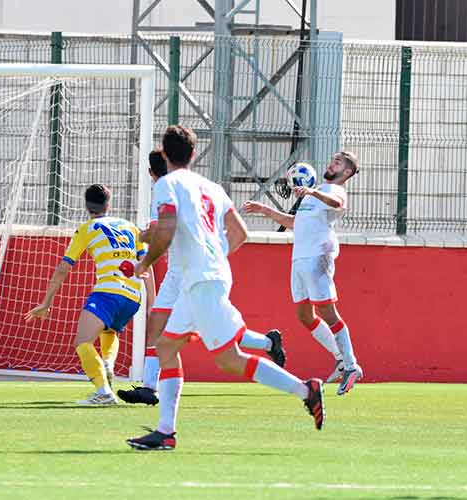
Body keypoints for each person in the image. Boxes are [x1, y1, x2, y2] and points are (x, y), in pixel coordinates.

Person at [126, 126, 324, 450]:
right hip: (205, 278)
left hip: (202, 281)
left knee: (230, 360)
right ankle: (165, 431)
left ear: (164, 153)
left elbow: (168, 229)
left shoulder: (166, 184)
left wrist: (144, 263)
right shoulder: (212, 187)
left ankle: (306, 390)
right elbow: (240, 232)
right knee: (166, 347)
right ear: (194, 153)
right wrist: (212, 257)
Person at [118, 150, 286, 406]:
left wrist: (141, 238)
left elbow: (160, 232)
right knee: (158, 324)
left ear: (151, 173)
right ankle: (150, 388)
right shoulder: (196, 188)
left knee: (216, 334)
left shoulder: (166, 189)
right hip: (179, 273)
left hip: (190, 273)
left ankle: (282, 362)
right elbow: (238, 232)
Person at [242, 152, 362, 395]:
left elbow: (339, 205)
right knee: (305, 315)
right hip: (299, 259)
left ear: (347, 172)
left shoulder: (334, 190)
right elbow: (295, 222)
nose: (331, 163)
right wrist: (264, 209)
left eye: (338, 162)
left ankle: (351, 366)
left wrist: (312, 192)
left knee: (328, 312)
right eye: (333, 159)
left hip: (317, 258)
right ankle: (340, 358)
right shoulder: (317, 192)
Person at [25, 184, 155, 405]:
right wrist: (153, 304)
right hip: (133, 297)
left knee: (82, 342)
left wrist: (46, 303)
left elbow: (63, 268)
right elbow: (147, 264)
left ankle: (103, 392)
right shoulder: (130, 226)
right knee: (110, 330)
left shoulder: (87, 228)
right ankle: (107, 364)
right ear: (109, 204)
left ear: (86, 206)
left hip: (108, 292)